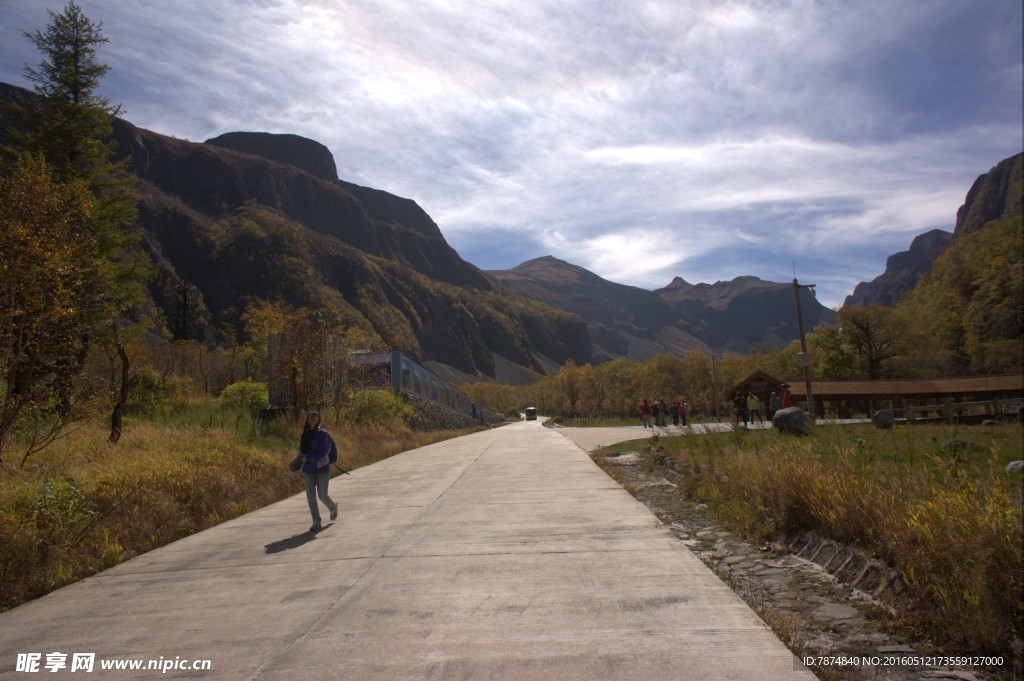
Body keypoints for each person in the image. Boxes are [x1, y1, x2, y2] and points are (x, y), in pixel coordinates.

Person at [297, 411, 338, 532]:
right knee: (310, 496)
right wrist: (299, 456)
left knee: (322, 495)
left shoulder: (323, 434)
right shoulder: (305, 434)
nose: (313, 420)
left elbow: (323, 452)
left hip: (322, 469)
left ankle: (332, 507)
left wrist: (308, 458)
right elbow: (301, 449)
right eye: (311, 419)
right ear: (308, 420)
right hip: (308, 470)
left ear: (318, 420)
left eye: (315, 419)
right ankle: (316, 521)